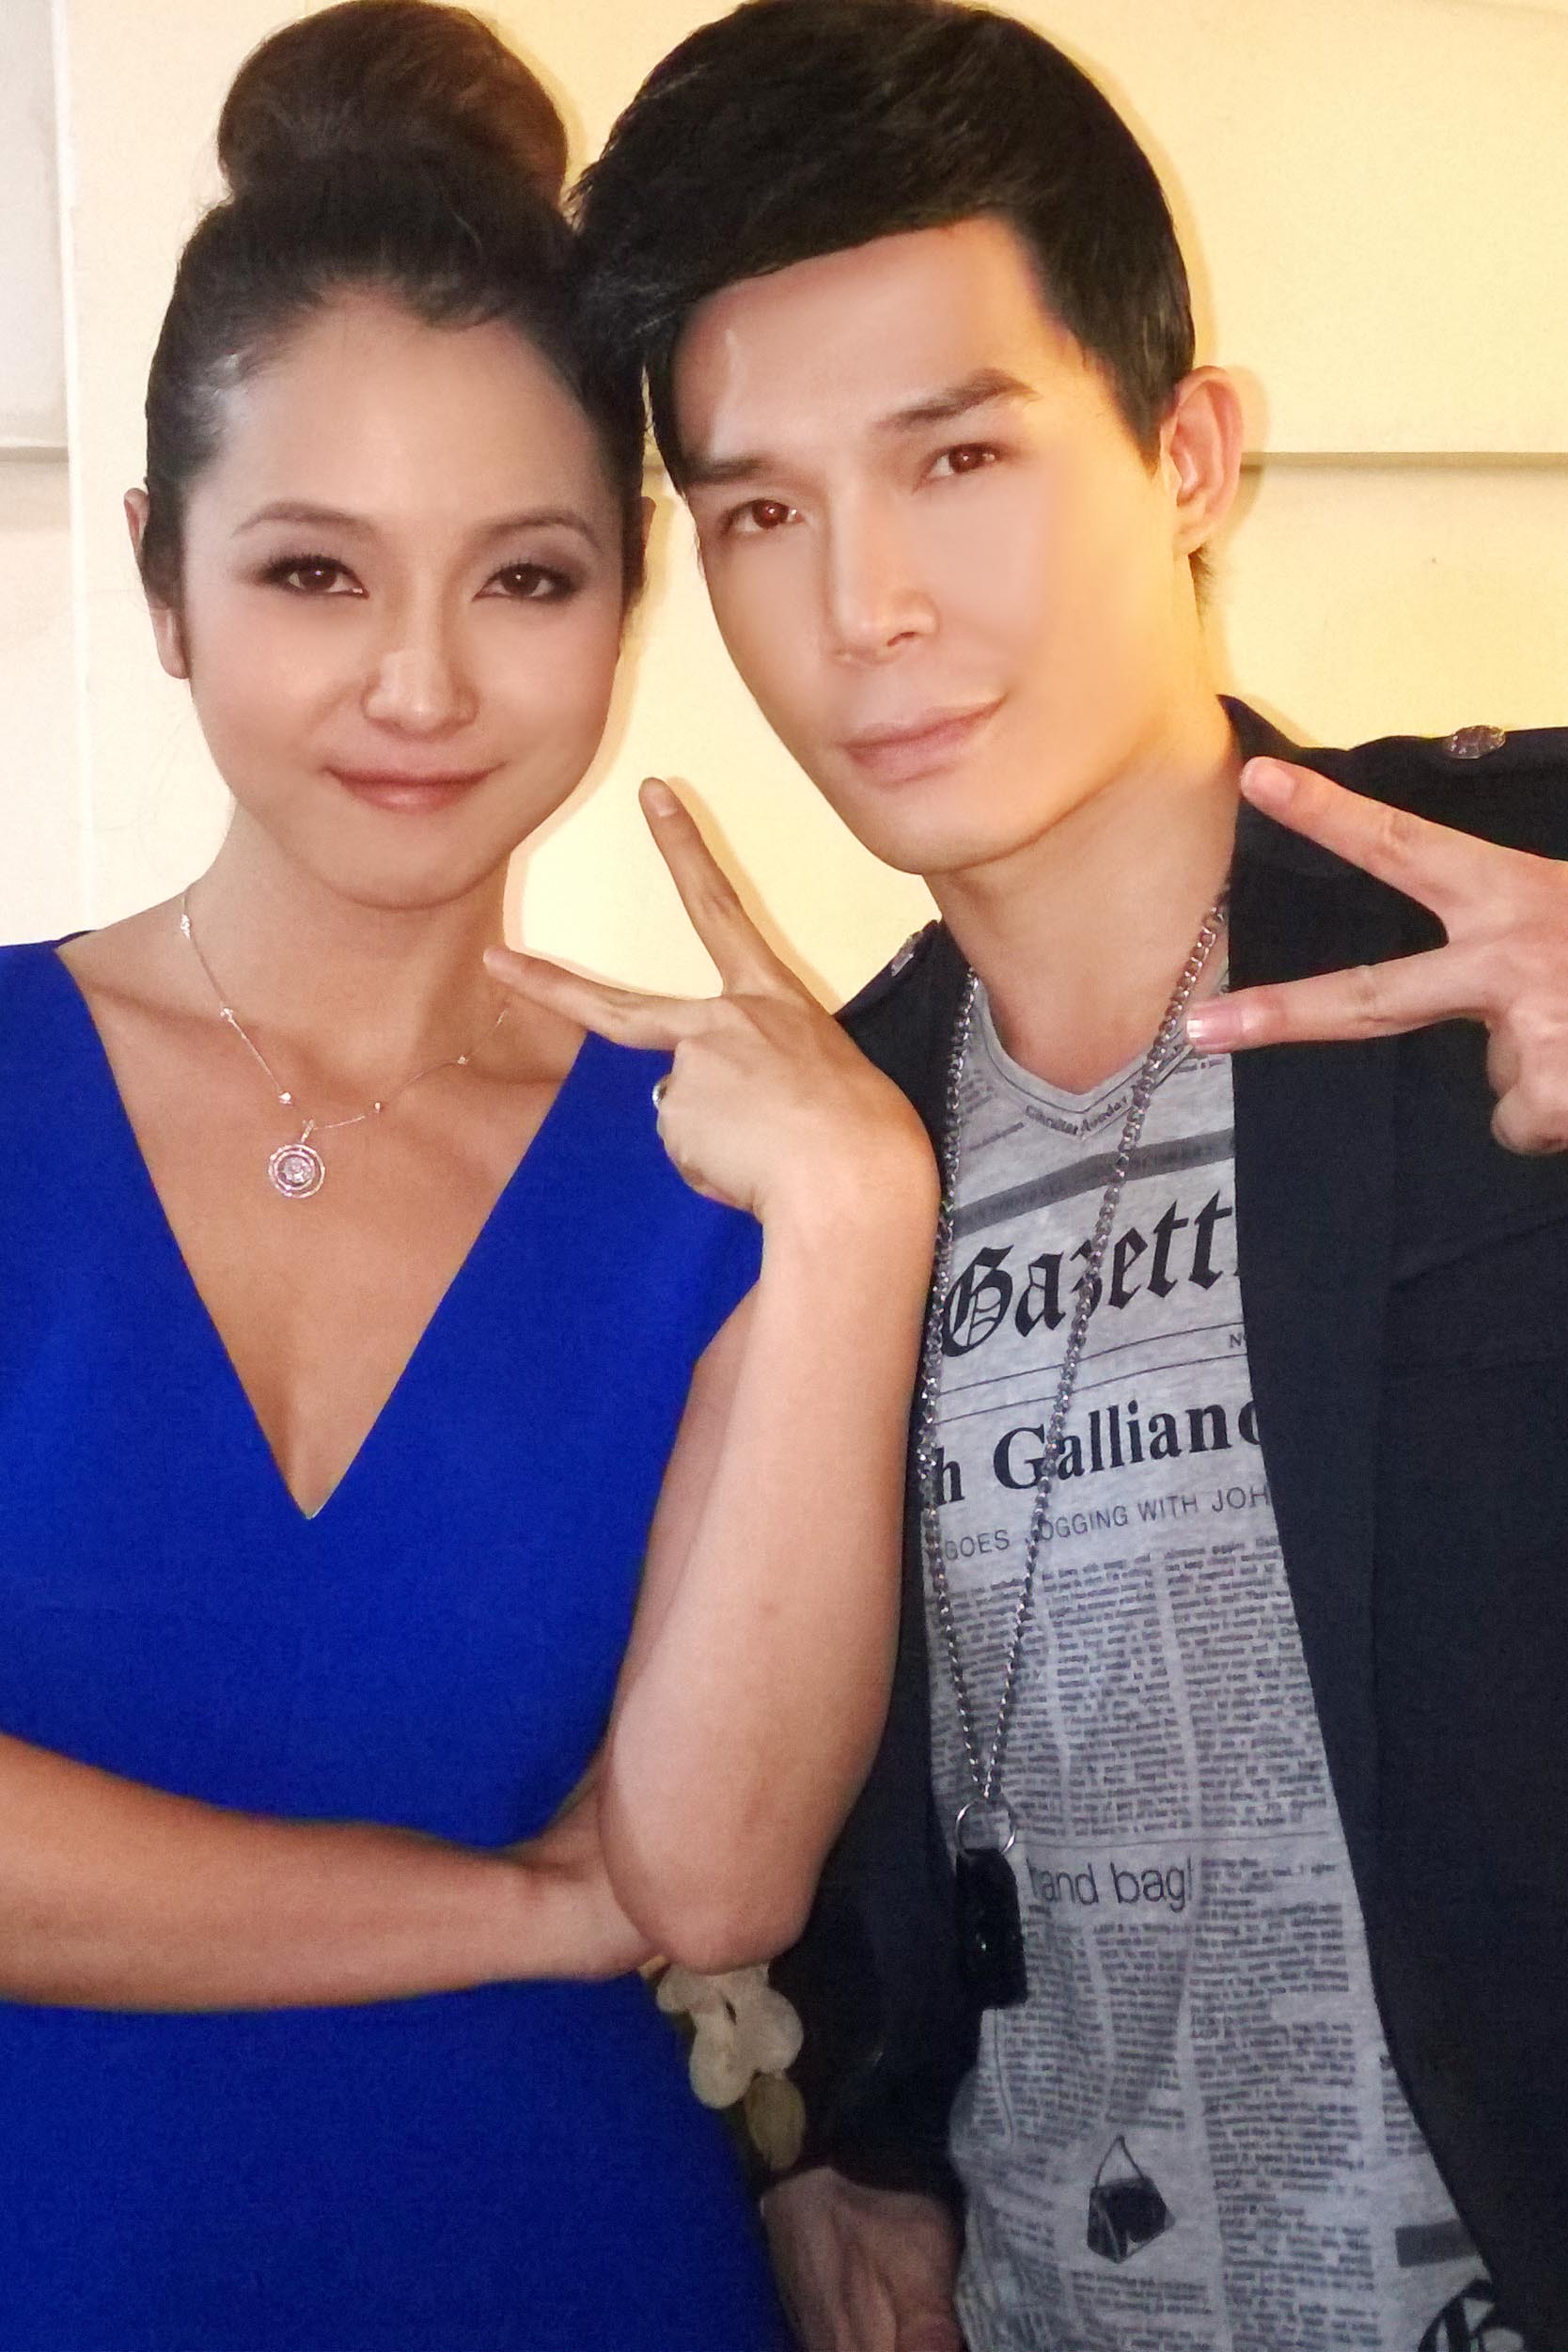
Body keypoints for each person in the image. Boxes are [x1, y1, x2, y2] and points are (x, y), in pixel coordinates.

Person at [572, 6, 1568, 2345]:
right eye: (761, 512)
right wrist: (824, 2140)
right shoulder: (824, 1142)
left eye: (958, 457)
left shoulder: (1507, 922)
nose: (866, 607)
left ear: (1188, 453)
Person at [0, 6, 942, 2346]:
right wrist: (526, 1913)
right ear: (163, 577)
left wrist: (854, 1217)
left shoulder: (724, 1170)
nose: (420, 686)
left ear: (627, 596)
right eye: (316, 575)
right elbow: (622, 1903)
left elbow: (711, 1876)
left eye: (523, 578)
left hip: (569, 2265)